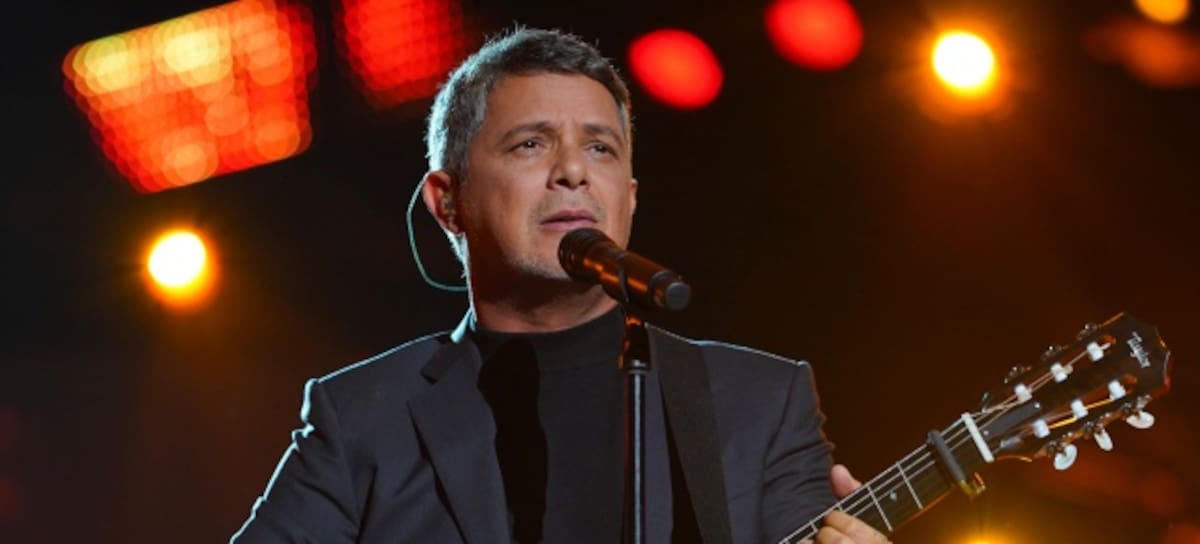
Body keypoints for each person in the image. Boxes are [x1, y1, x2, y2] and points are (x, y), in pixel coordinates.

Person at [231, 27, 889, 544]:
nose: (573, 171)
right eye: (530, 145)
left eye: (600, 148)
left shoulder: (759, 400)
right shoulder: (363, 417)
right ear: (448, 202)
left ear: (629, 198)